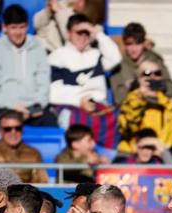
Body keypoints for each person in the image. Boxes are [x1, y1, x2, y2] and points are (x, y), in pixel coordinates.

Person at [48, 14, 121, 145]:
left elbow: (115, 58)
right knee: (73, 120)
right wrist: (79, 101)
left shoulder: (95, 54)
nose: (82, 37)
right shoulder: (57, 56)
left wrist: (97, 33)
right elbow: (54, 93)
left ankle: (105, 158)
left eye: (86, 33)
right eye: (78, 33)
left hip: (98, 104)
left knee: (116, 117)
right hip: (71, 105)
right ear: (69, 33)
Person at [0, 4, 56, 126]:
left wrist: (33, 107)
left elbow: (43, 84)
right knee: (6, 121)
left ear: (27, 26)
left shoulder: (38, 48)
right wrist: (14, 106)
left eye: (22, 27)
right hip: (4, 107)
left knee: (49, 120)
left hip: (32, 107)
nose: (18, 33)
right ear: (5, 28)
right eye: (13, 28)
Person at [116, 59, 172, 154]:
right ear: (139, 78)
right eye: (146, 73)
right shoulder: (131, 100)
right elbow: (128, 127)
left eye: (157, 73)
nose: (152, 77)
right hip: (135, 156)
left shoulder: (169, 104)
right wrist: (140, 98)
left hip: (162, 157)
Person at [0, 111, 49, 184]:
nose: (13, 132)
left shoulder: (33, 153)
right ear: (0, 131)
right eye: (7, 129)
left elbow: (41, 183)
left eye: (17, 128)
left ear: (22, 130)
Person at [110, 22, 172, 104]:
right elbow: (118, 98)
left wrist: (154, 83)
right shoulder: (119, 65)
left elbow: (170, 87)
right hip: (131, 109)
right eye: (129, 44)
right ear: (124, 44)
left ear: (143, 43)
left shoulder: (155, 60)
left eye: (137, 43)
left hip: (155, 106)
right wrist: (134, 85)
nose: (133, 49)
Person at [34, 0, 105, 53]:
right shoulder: (65, 6)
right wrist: (48, 11)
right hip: (44, 49)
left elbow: (71, 39)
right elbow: (36, 24)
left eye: (81, 0)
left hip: (62, 59)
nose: (77, 1)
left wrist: (59, 12)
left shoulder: (96, 28)